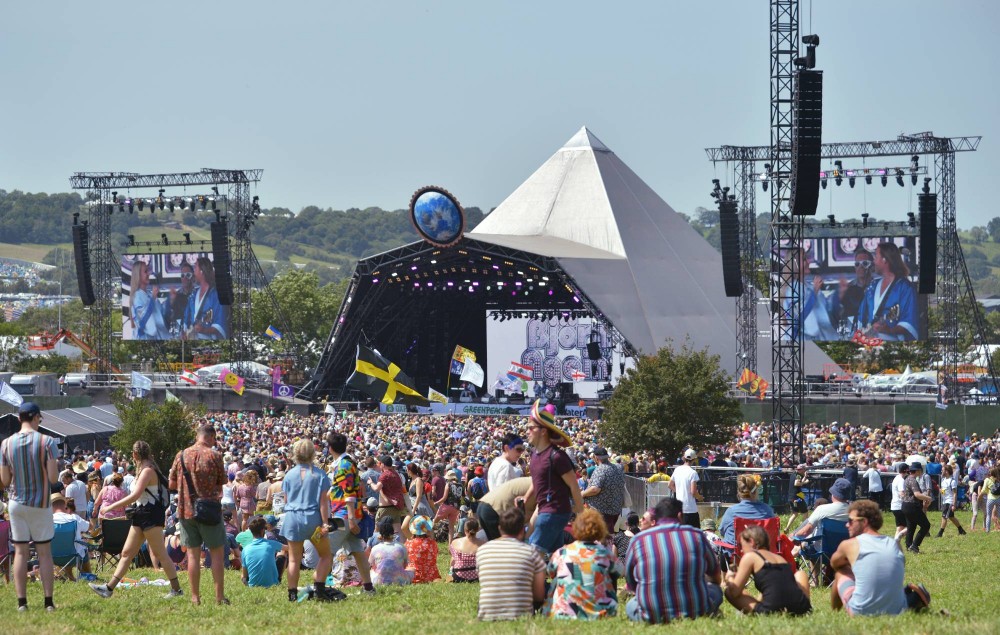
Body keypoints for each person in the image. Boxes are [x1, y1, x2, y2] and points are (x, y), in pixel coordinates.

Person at [90, 440, 183, 598]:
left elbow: (135, 494)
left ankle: (176, 589)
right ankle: (108, 588)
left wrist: (110, 507)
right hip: (141, 514)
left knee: (161, 554)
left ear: (135, 454)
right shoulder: (143, 470)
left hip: (151, 514)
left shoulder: (147, 470)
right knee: (126, 553)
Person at [624, 497, 723, 623]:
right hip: (696, 611)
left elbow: (631, 583)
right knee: (715, 590)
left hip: (651, 615)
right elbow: (715, 576)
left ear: (657, 518)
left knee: (631, 604)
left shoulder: (638, 540)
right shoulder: (697, 535)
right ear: (680, 515)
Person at [0, 402, 59, 612]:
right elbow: (53, 477)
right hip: (40, 502)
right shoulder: (47, 442)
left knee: (20, 552)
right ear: (37, 418)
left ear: (19, 419)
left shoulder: (6, 444)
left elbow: (5, 479)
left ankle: (22, 603)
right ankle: (48, 602)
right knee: (44, 552)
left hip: (16, 502)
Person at [831, 500, 930, 615]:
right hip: (898, 611)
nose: (847, 525)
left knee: (841, 572)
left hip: (861, 611)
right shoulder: (895, 544)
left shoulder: (850, 544)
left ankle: (835, 613)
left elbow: (834, 564)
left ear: (864, 522)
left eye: (850, 521)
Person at [168, 424, 228, 606]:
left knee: (193, 556)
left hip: (186, 511)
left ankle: (195, 597)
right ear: (211, 437)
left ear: (197, 436)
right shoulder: (215, 455)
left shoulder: (181, 455)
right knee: (216, 554)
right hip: (209, 511)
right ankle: (219, 597)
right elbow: (222, 482)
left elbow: (171, 484)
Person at [523, 400, 584, 555]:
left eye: (531, 428)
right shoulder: (535, 455)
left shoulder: (557, 456)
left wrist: (581, 514)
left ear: (543, 431)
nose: (527, 431)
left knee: (532, 553)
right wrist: (524, 501)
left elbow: (573, 486)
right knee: (557, 555)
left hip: (555, 512)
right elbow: (536, 484)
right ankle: (562, 578)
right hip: (544, 510)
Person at [280, 438, 336, 602]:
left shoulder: (289, 475)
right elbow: (323, 503)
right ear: (313, 453)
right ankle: (319, 588)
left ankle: (292, 594)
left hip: (293, 519)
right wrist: (325, 523)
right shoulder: (320, 474)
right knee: (325, 556)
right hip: (313, 520)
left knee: (293, 559)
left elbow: (286, 500)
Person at [544, 507, 622, 620]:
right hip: (600, 614)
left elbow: (551, 573)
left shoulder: (561, 552)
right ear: (601, 529)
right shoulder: (605, 554)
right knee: (611, 573)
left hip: (563, 614)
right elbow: (620, 571)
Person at [475, 506, 546, 621]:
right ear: (522, 530)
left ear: (499, 528)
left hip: (487, 614)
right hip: (522, 614)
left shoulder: (483, 550)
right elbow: (539, 595)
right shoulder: (531, 552)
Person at [723, 524, 811, 616]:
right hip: (801, 608)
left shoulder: (750, 556)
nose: (741, 550)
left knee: (729, 592)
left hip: (772, 611)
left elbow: (735, 592)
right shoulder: (779, 558)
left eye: (741, 545)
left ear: (752, 542)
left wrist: (730, 578)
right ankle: (804, 608)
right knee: (800, 574)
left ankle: (756, 611)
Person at [325, 431, 375, 594]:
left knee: (326, 549)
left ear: (330, 448)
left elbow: (349, 494)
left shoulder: (344, 465)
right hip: (348, 514)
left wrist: (352, 519)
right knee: (358, 551)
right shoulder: (345, 463)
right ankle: (368, 588)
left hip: (344, 515)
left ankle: (319, 587)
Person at [854, 241, 919, 341]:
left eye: (876, 256)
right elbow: (861, 317)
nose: (873, 261)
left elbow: (909, 323)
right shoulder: (873, 286)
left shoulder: (905, 288)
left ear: (885, 260)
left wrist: (889, 330)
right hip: (869, 341)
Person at [718, 473, 777, 546]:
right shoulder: (768, 511)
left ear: (739, 492)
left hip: (737, 555)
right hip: (763, 555)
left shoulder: (732, 512)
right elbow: (774, 534)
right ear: (756, 491)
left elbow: (722, 531)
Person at [182, 256, 228, 340]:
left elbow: (220, 324)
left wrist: (204, 330)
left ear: (201, 271)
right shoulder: (193, 295)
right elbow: (186, 319)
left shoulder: (215, 295)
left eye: (195, 267)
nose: (193, 272)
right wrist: (184, 333)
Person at [581, 447, 625, 533]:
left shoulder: (601, 469)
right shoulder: (618, 468)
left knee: (602, 537)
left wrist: (583, 493)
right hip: (615, 508)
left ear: (596, 458)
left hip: (602, 510)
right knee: (608, 534)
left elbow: (595, 489)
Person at [475, 476, 533, 541]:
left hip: (484, 504)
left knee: (495, 546)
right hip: (494, 510)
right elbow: (534, 519)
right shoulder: (541, 486)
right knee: (503, 546)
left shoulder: (534, 481)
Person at [51, 493, 92, 578]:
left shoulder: (46, 521)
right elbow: (90, 526)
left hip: (52, 557)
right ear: (65, 505)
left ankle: (69, 576)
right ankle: (87, 574)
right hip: (73, 557)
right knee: (81, 547)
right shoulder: (74, 518)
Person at [129, 259, 170, 340]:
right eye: (145, 271)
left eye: (148, 271)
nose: (149, 273)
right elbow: (142, 321)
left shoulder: (149, 294)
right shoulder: (137, 297)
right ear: (138, 275)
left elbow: (161, 312)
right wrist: (153, 298)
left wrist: (170, 300)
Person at [241, 516, 286, 588]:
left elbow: (244, 575)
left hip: (252, 585)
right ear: (263, 531)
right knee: (282, 553)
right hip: (273, 583)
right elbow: (289, 548)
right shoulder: (272, 543)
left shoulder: (245, 549)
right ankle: (279, 579)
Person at [837, 249, 874, 332]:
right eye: (857, 264)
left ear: (872, 266)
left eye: (864, 263)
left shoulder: (879, 287)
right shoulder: (847, 290)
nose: (860, 267)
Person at [367, 455, 406, 534]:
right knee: (397, 531)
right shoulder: (396, 474)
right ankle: (400, 546)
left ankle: (374, 546)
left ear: (383, 464)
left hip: (385, 508)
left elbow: (376, 488)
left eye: (380, 463)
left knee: (377, 530)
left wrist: (370, 483)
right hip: (396, 507)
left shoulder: (385, 475)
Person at [368, 518, 412, 586]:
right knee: (412, 569)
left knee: (371, 571)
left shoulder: (375, 548)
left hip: (379, 582)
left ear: (380, 534)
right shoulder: (401, 546)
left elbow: (372, 565)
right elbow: (405, 565)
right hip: (400, 581)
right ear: (393, 533)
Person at [901, 462, 932, 553]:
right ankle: (914, 546)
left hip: (905, 505)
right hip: (912, 506)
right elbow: (917, 494)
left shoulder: (907, 479)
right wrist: (928, 498)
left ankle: (908, 545)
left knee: (911, 526)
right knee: (926, 525)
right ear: (917, 470)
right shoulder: (913, 480)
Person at [668, 448, 703, 528]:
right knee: (694, 535)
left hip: (679, 508)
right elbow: (693, 492)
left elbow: (670, 485)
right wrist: (700, 497)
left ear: (684, 458)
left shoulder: (677, 469)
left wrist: (679, 492)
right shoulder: (692, 473)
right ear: (694, 459)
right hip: (690, 509)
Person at [401, 515, 440, 583]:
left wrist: (410, 513)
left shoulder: (408, 544)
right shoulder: (433, 543)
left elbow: (403, 527)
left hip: (414, 576)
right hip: (431, 577)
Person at [448, 517, 483, 583]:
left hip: (459, 575)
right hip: (477, 576)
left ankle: (449, 577)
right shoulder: (484, 544)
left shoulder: (455, 542)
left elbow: (453, 562)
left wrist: (450, 573)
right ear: (478, 529)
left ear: (464, 529)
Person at [936, 464, 967, 537]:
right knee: (951, 517)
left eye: (943, 470)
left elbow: (955, 493)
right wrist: (939, 489)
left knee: (944, 517)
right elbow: (944, 492)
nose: (941, 471)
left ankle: (940, 533)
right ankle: (961, 530)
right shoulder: (943, 480)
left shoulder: (952, 481)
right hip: (944, 501)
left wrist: (954, 504)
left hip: (949, 502)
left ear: (946, 471)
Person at [784, 464, 811, 533]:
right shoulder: (798, 475)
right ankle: (805, 528)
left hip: (792, 497)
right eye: (804, 469)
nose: (805, 470)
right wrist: (805, 482)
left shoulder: (793, 474)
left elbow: (799, 482)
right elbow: (796, 483)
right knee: (805, 511)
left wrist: (804, 477)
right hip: (797, 497)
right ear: (801, 470)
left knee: (795, 513)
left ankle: (787, 528)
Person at [167, 261, 195, 328]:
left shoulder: (198, 294)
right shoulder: (175, 296)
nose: (185, 278)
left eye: (188, 275)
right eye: (182, 275)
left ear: (193, 277)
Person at [890, 462, 910, 534]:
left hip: (894, 506)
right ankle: (900, 539)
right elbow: (902, 493)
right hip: (899, 506)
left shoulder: (896, 477)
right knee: (910, 527)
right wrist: (909, 500)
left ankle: (895, 542)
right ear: (906, 470)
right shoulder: (901, 480)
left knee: (900, 527)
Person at [983, 466, 1000, 533]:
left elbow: (984, 490)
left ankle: (987, 530)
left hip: (990, 499)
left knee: (989, 515)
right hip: (998, 499)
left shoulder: (987, 480)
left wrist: (987, 492)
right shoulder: (998, 480)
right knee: (999, 514)